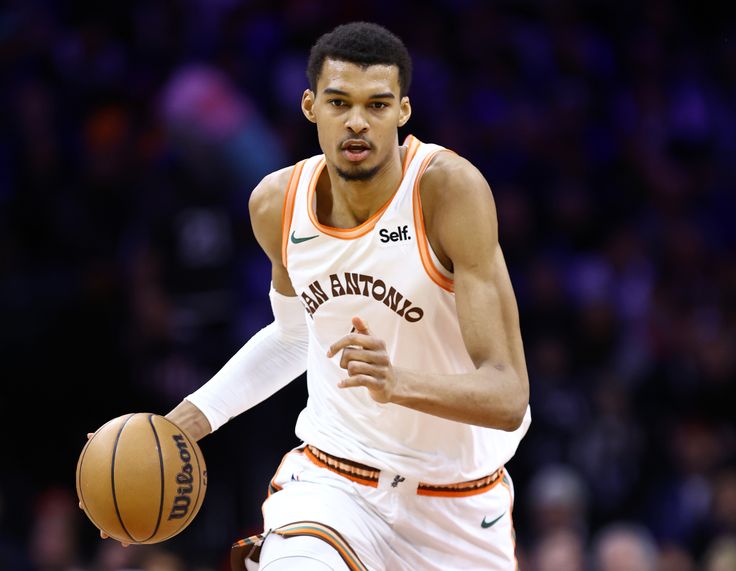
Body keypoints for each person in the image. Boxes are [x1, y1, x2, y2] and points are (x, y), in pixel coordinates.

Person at [109, 21, 531, 570]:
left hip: (460, 505)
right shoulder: (277, 204)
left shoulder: (447, 193)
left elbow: (506, 395)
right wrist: (185, 422)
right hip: (335, 485)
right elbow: (292, 336)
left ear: (403, 112)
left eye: (377, 105)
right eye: (339, 103)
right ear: (311, 107)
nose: (357, 122)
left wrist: (397, 382)